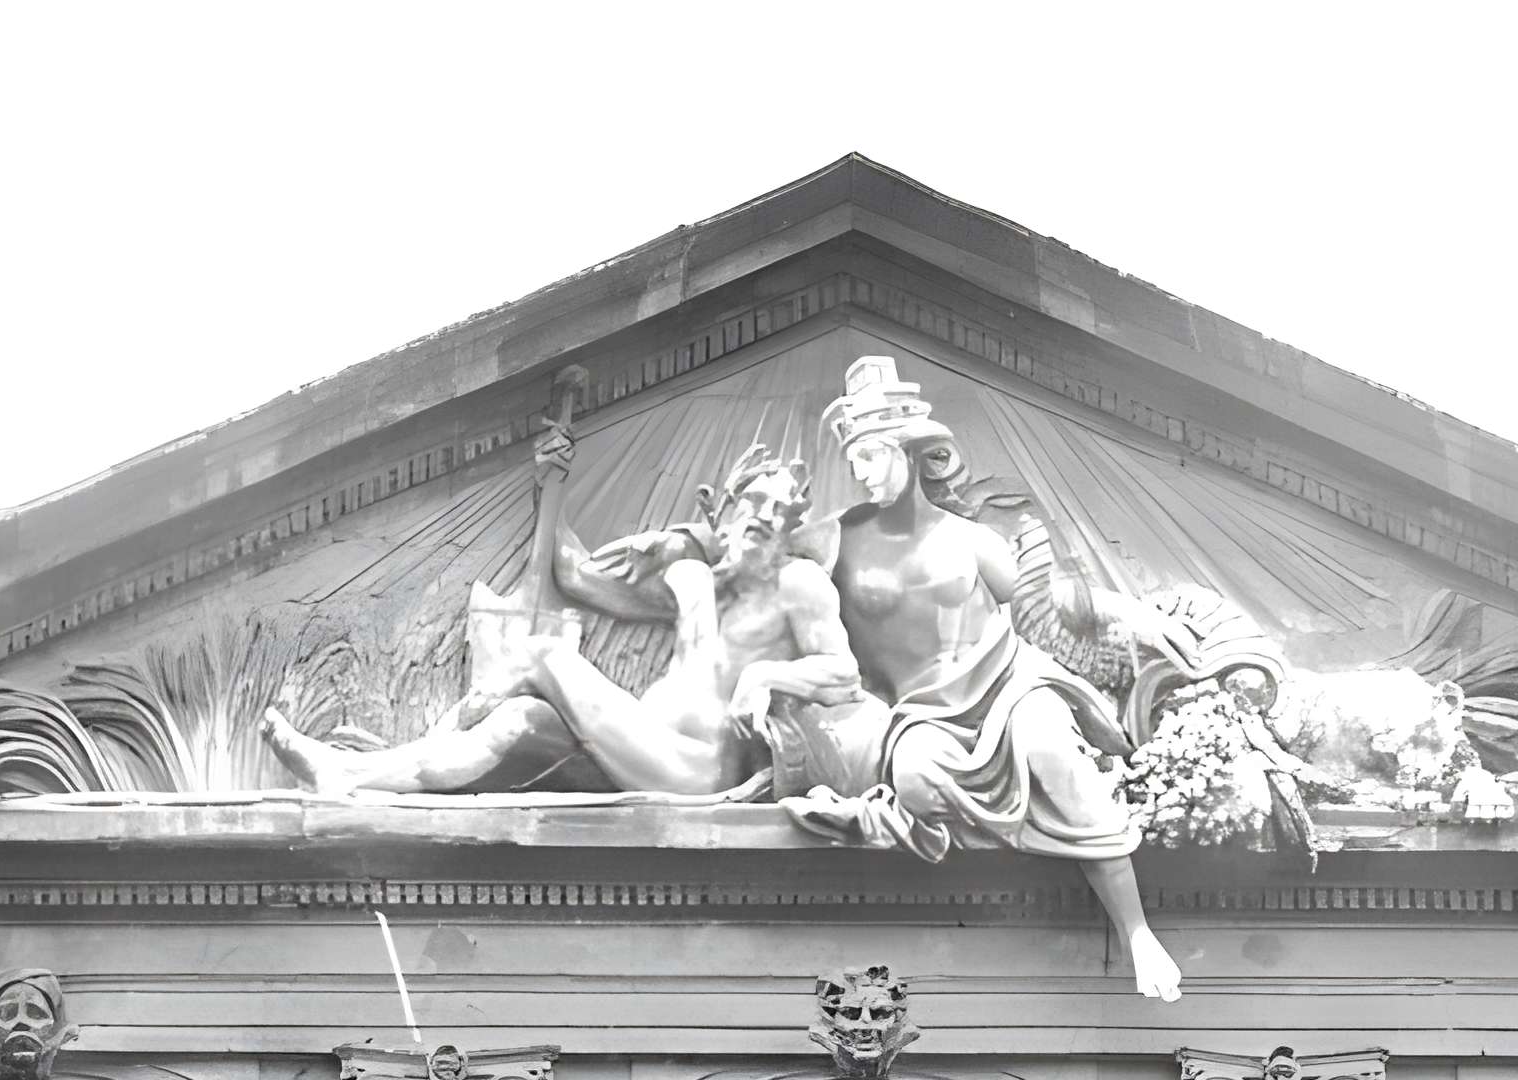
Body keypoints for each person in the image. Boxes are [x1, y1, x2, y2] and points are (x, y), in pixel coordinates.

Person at [785, 358, 1184, 1002]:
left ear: (910, 452)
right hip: (918, 713)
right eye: (853, 458)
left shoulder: (969, 538)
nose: (858, 471)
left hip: (1005, 682)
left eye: (871, 454)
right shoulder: (833, 541)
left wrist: (1136, 615)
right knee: (915, 780)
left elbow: (1047, 603)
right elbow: (739, 565)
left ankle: (1137, 934)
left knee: (1050, 750)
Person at [262, 437, 863, 798]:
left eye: (783, 511)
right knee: (517, 720)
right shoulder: (695, 584)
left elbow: (843, 673)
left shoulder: (799, 585)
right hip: (630, 752)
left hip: (697, 768)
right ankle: (350, 777)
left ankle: (430, 734)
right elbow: (575, 576)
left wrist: (766, 678)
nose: (768, 514)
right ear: (724, 511)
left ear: (790, 530)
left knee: (546, 654)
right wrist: (551, 480)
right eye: (756, 501)